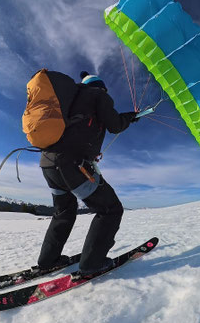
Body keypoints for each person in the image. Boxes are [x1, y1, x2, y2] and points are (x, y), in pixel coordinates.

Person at [36, 71, 138, 278]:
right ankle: (92, 264)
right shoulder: (98, 95)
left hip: (48, 164)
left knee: (64, 212)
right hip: (72, 164)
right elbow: (115, 125)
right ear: (101, 87)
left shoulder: (69, 99)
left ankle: (48, 261)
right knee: (110, 209)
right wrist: (129, 117)